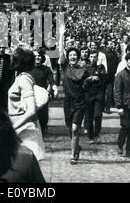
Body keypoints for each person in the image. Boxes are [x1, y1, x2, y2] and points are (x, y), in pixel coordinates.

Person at [8, 47, 45, 161]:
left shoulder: (24, 79)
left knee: (24, 166)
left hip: (24, 128)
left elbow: (31, 110)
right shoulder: (20, 77)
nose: (10, 57)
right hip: (19, 126)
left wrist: (12, 128)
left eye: (13, 56)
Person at [59, 24, 89, 164]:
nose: (72, 57)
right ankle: (76, 147)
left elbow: (88, 86)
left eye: (74, 55)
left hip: (80, 102)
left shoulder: (84, 70)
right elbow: (60, 52)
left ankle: (73, 155)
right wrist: (61, 35)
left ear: (78, 57)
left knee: (76, 128)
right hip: (67, 102)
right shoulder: (64, 67)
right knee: (69, 128)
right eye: (70, 55)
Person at [30, 47, 58, 136]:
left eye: (39, 56)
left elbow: (51, 81)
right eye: (35, 56)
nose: (37, 58)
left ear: (42, 57)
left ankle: (42, 131)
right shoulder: (28, 69)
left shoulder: (46, 69)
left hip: (42, 96)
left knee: (43, 117)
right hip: (31, 95)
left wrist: (55, 88)